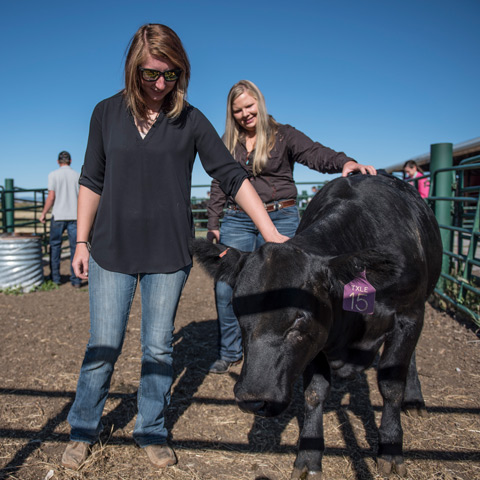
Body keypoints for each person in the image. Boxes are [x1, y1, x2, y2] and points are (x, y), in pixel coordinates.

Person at [61, 25, 288, 472]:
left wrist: (272, 232)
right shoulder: (106, 113)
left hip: (169, 253)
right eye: (151, 75)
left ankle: (151, 428)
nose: (161, 85)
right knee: (103, 344)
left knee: (159, 348)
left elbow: (231, 175)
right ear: (133, 69)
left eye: (171, 75)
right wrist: (81, 242)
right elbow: (91, 180)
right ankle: (83, 429)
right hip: (111, 250)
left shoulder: (191, 118)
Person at [206, 79, 377, 374]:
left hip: (280, 217)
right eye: (238, 110)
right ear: (231, 114)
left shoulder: (283, 135)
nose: (246, 114)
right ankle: (230, 351)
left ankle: (283, 348)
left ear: (259, 102)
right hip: (237, 220)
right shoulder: (228, 143)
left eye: (249, 106)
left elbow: (314, 152)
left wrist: (344, 162)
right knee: (225, 287)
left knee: (288, 285)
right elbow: (219, 184)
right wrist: (213, 222)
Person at [40, 150, 81, 287]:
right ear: (70, 161)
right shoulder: (77, 175)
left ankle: (55, 279)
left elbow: (51, 197)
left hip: (58, 216)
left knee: (55, 247)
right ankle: (76, 279)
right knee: (75, 248)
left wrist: (43, 213)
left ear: (58, 161)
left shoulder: (53, 175)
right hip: (75, 216)